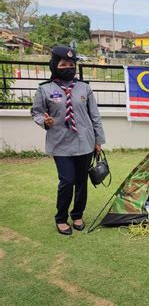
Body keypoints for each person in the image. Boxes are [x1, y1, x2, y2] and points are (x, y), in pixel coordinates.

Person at [31, 46, 106, 236]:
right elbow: (37, 112)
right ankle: (61, 218)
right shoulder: (44, 89)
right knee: (67, 181)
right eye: (63, 64)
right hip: (60, 144)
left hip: (85, 143)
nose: (68, 67)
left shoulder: (84, 88)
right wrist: (44, 121)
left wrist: (98, 141)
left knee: (81, 181)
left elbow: (94, 116)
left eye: (71, 64)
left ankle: (78, 214)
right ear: (55, 65)